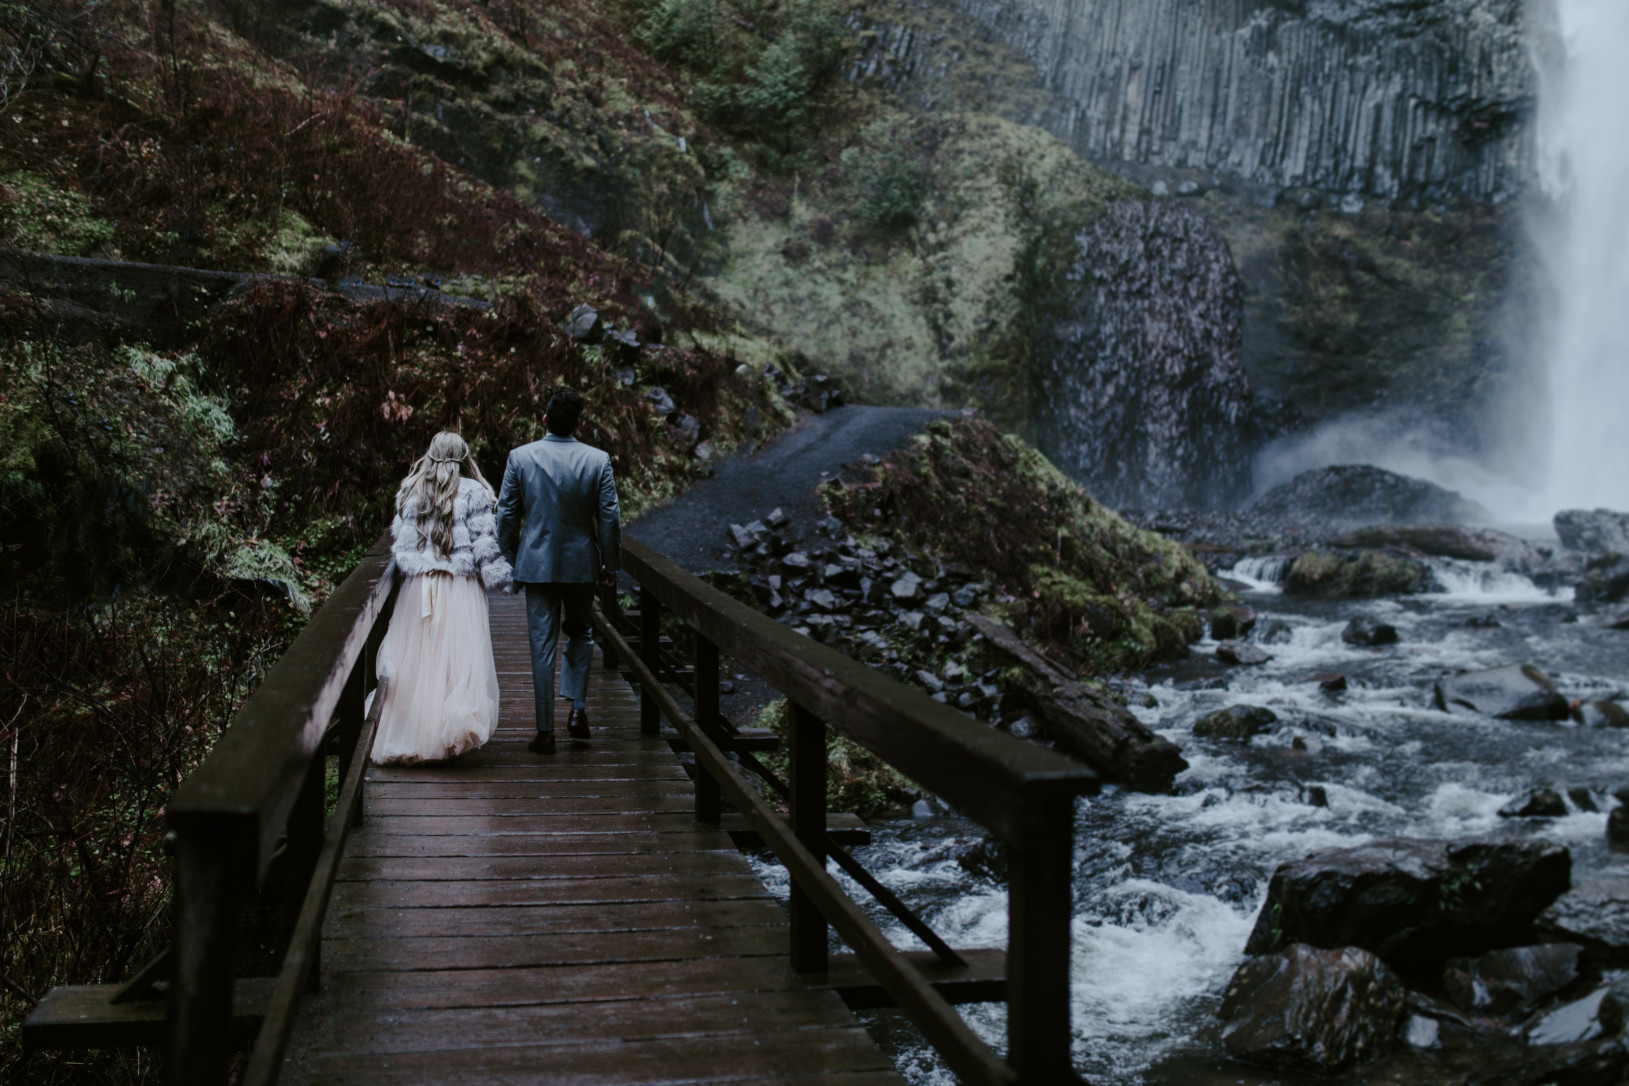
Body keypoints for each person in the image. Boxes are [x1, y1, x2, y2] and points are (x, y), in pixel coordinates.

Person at [370, 431, 513, 765]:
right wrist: (504, 580)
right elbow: (484, 546)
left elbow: (400, 542)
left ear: (431, 454)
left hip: (418, 587)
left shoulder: (411, 490)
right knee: (456, 661)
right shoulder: (475, 491)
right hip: (458, 587)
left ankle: (416, 733)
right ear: (463, 456)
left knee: (418, 663)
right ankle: (447, 739)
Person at [496, 388, 622, 755]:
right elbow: (609, 517)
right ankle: (578, 709)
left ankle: (545, 731)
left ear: (545, 419)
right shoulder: (597, 460)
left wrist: (508, 556)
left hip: (535, 564)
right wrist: (610, 564)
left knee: (541, 646)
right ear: (577, 423)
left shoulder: (520, 457)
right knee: (581, 631)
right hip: (582, 564)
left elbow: (506, 513)